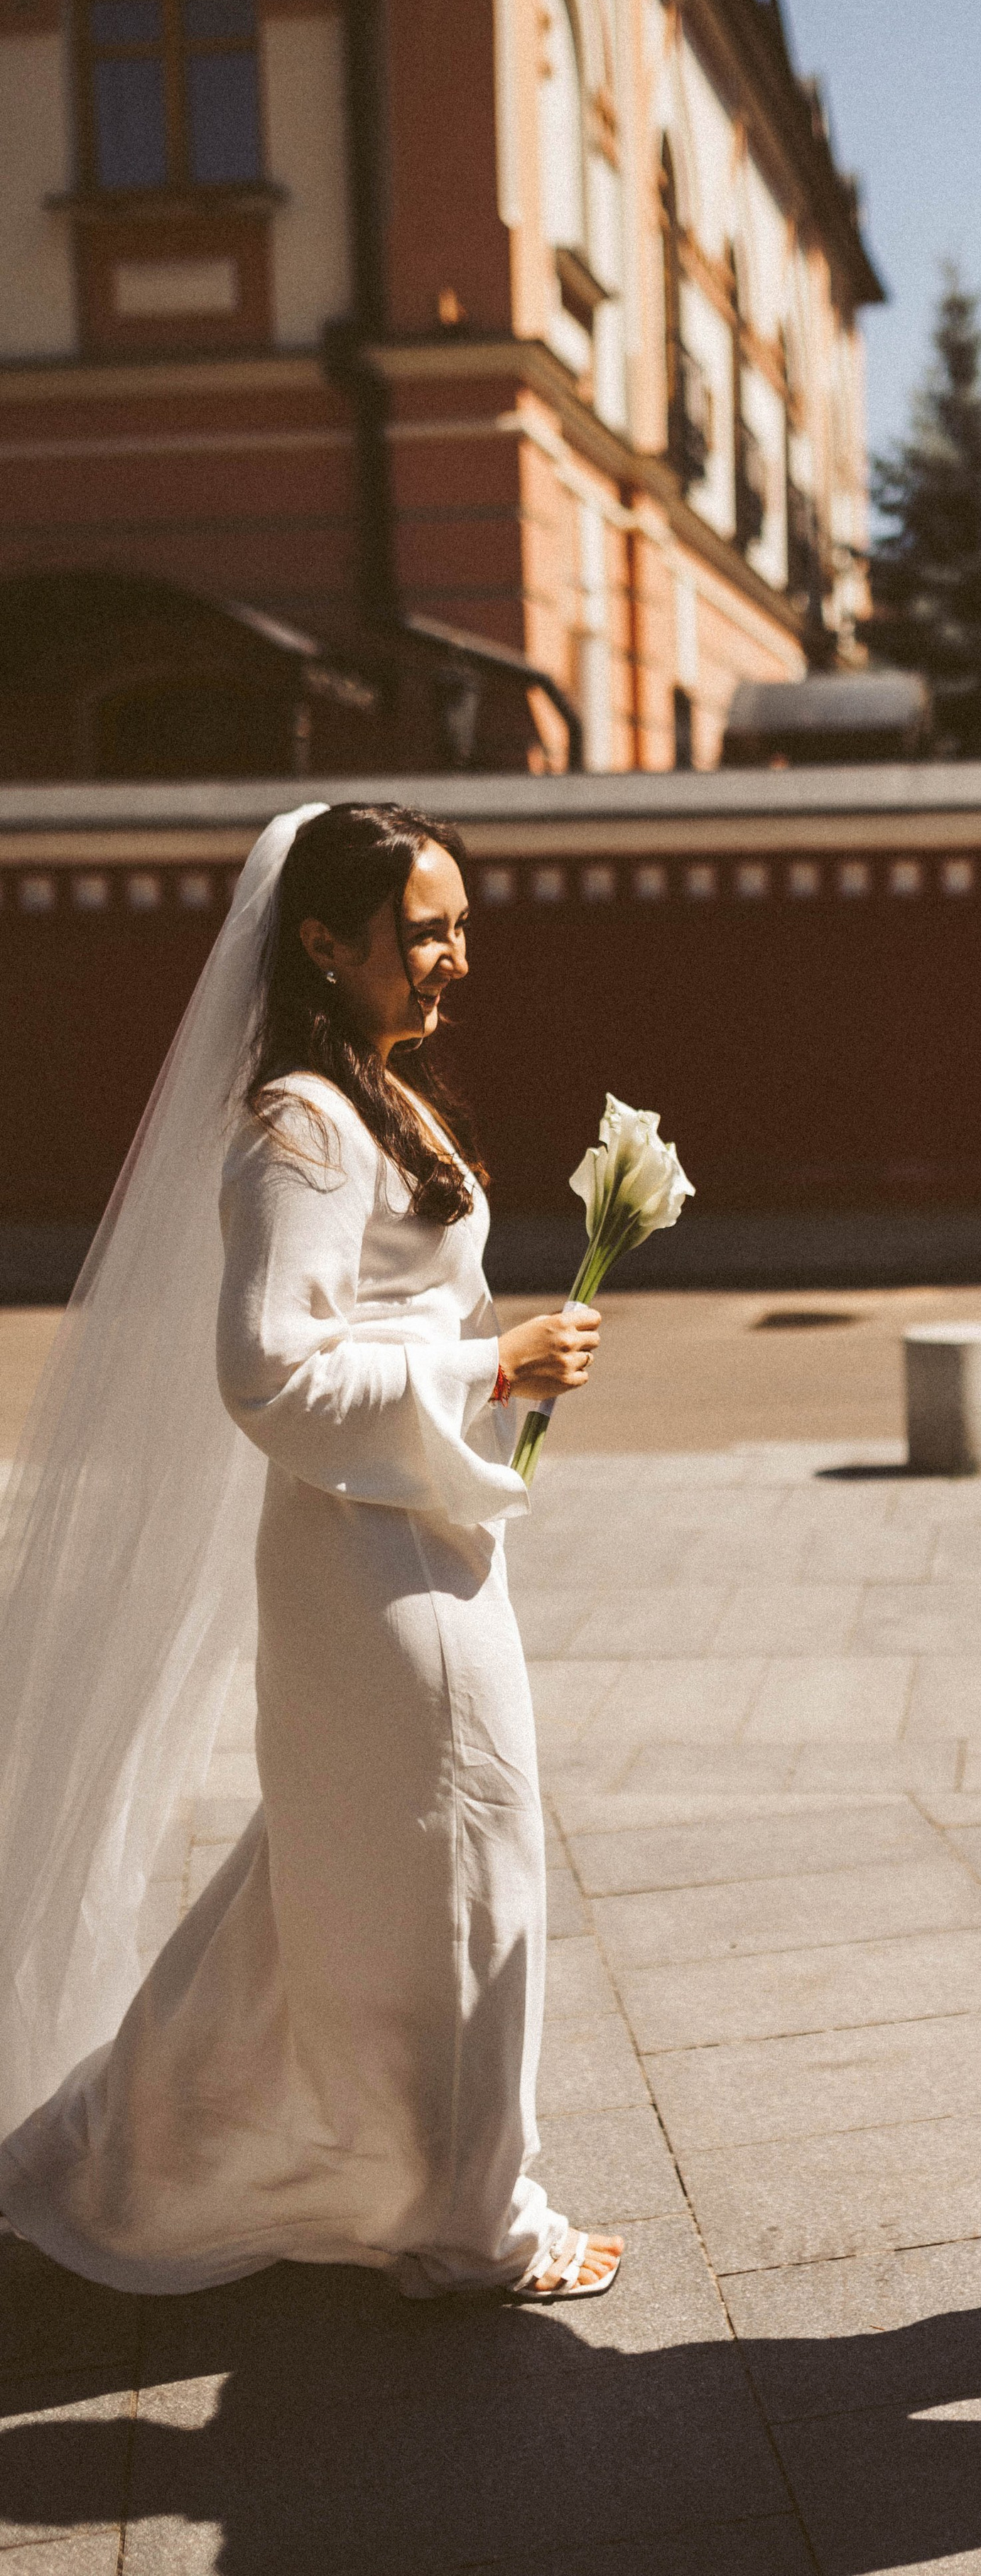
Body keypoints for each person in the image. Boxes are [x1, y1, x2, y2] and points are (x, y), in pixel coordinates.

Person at [0, 801, 618, 2302]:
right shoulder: (299, 1127)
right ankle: (473, 2224)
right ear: (324, 941)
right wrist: (486, 1368)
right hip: (363, 1562)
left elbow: (372, 1322)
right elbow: (266, 1373)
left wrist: (492, 1366)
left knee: (342, 1887)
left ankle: (128, 2149)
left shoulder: (374, 1096)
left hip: (413, 1527)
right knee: (462, 1875)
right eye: (422, 930)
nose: (452, 955)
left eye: (459, 923)